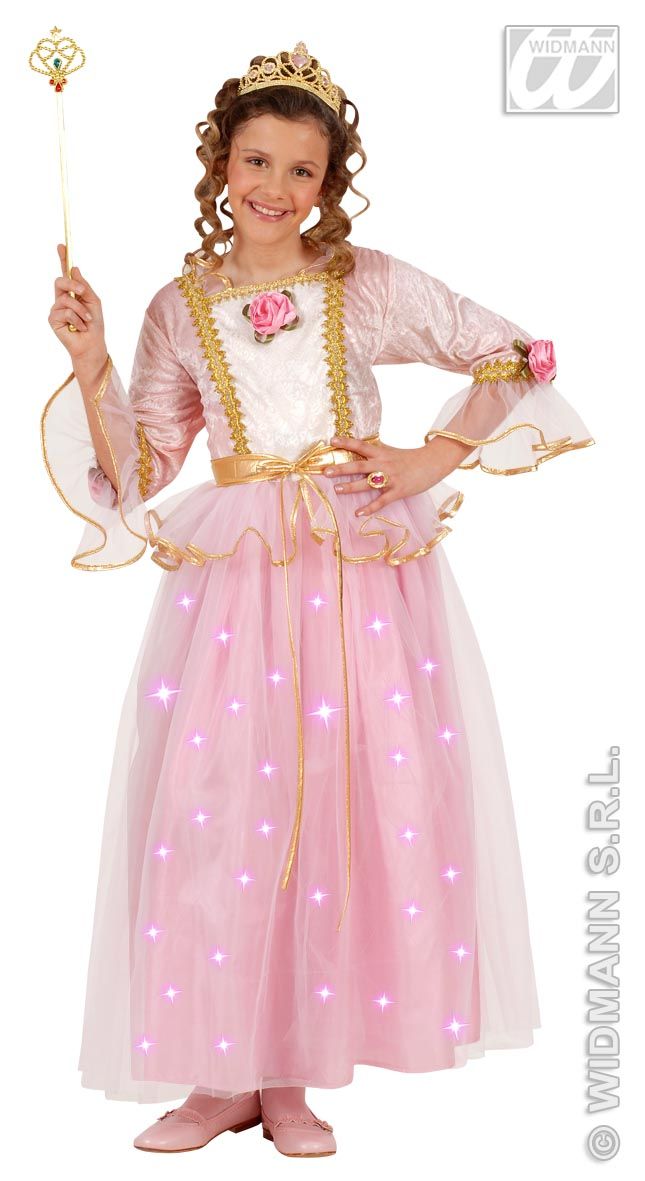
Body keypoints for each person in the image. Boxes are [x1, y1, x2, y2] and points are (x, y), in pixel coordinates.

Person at [42, 42, 595, 1159]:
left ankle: (291, 1072)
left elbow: (514, 352)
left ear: (329, 182)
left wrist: (429, 456)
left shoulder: (363, 281)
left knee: (336, 803)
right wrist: (94, 362)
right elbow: (140, 471)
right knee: (222, 809)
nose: (275, 187)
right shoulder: (180, 307)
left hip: (355, 581)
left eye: (302, 170)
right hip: (241, 590)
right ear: (221, 166)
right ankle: (220, 1073)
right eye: (257, 161)